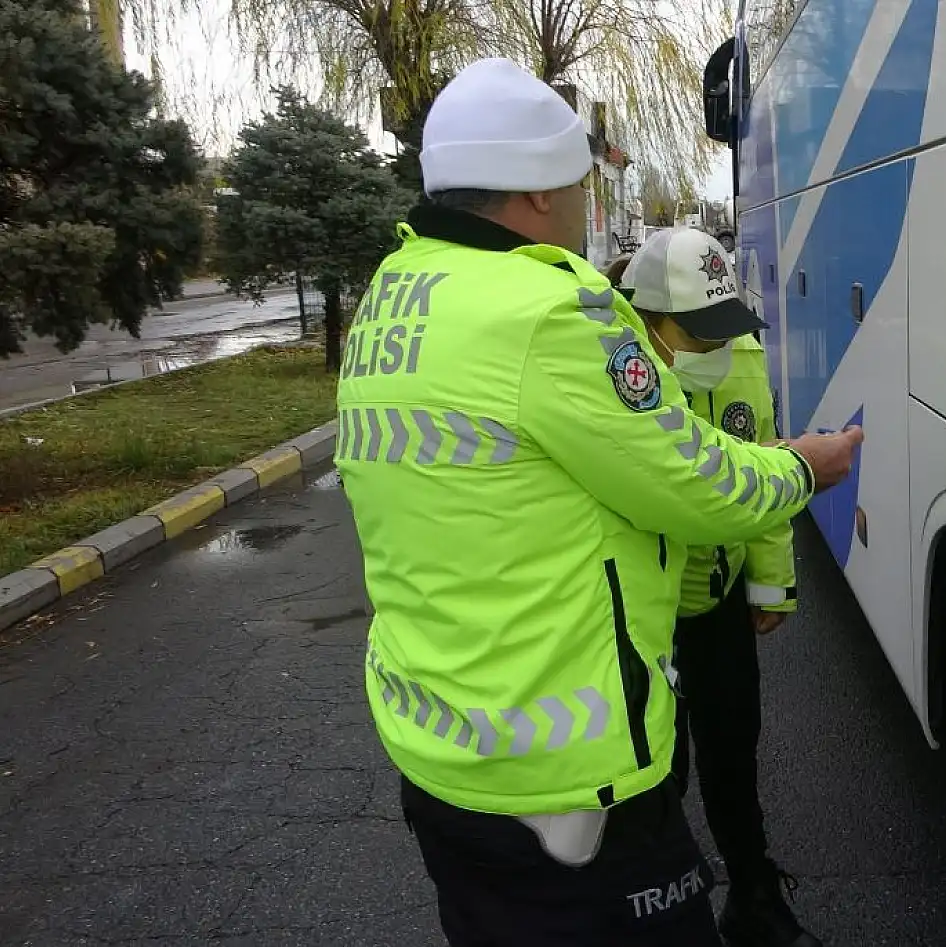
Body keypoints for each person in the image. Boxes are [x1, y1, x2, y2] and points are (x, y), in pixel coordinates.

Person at [335, 57, 863, 947]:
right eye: (581, 180)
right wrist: (804, 468)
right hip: (565, 787)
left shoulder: (392, 297)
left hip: (439, 756)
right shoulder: (550, 312)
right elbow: (696, 482)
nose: (587, 200)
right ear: (538, 194)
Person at [612, 229, 820, 947]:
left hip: (721, 597)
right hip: (647, 612)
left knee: (735, 752)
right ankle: (659, 905)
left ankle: (753, 895)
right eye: (697, 334)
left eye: (724, 328)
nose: (718, 348)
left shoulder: (744, 359)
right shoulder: (608, 367)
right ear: (647, 321)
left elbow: (763, 468)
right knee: (658, 769)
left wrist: (772, 584)